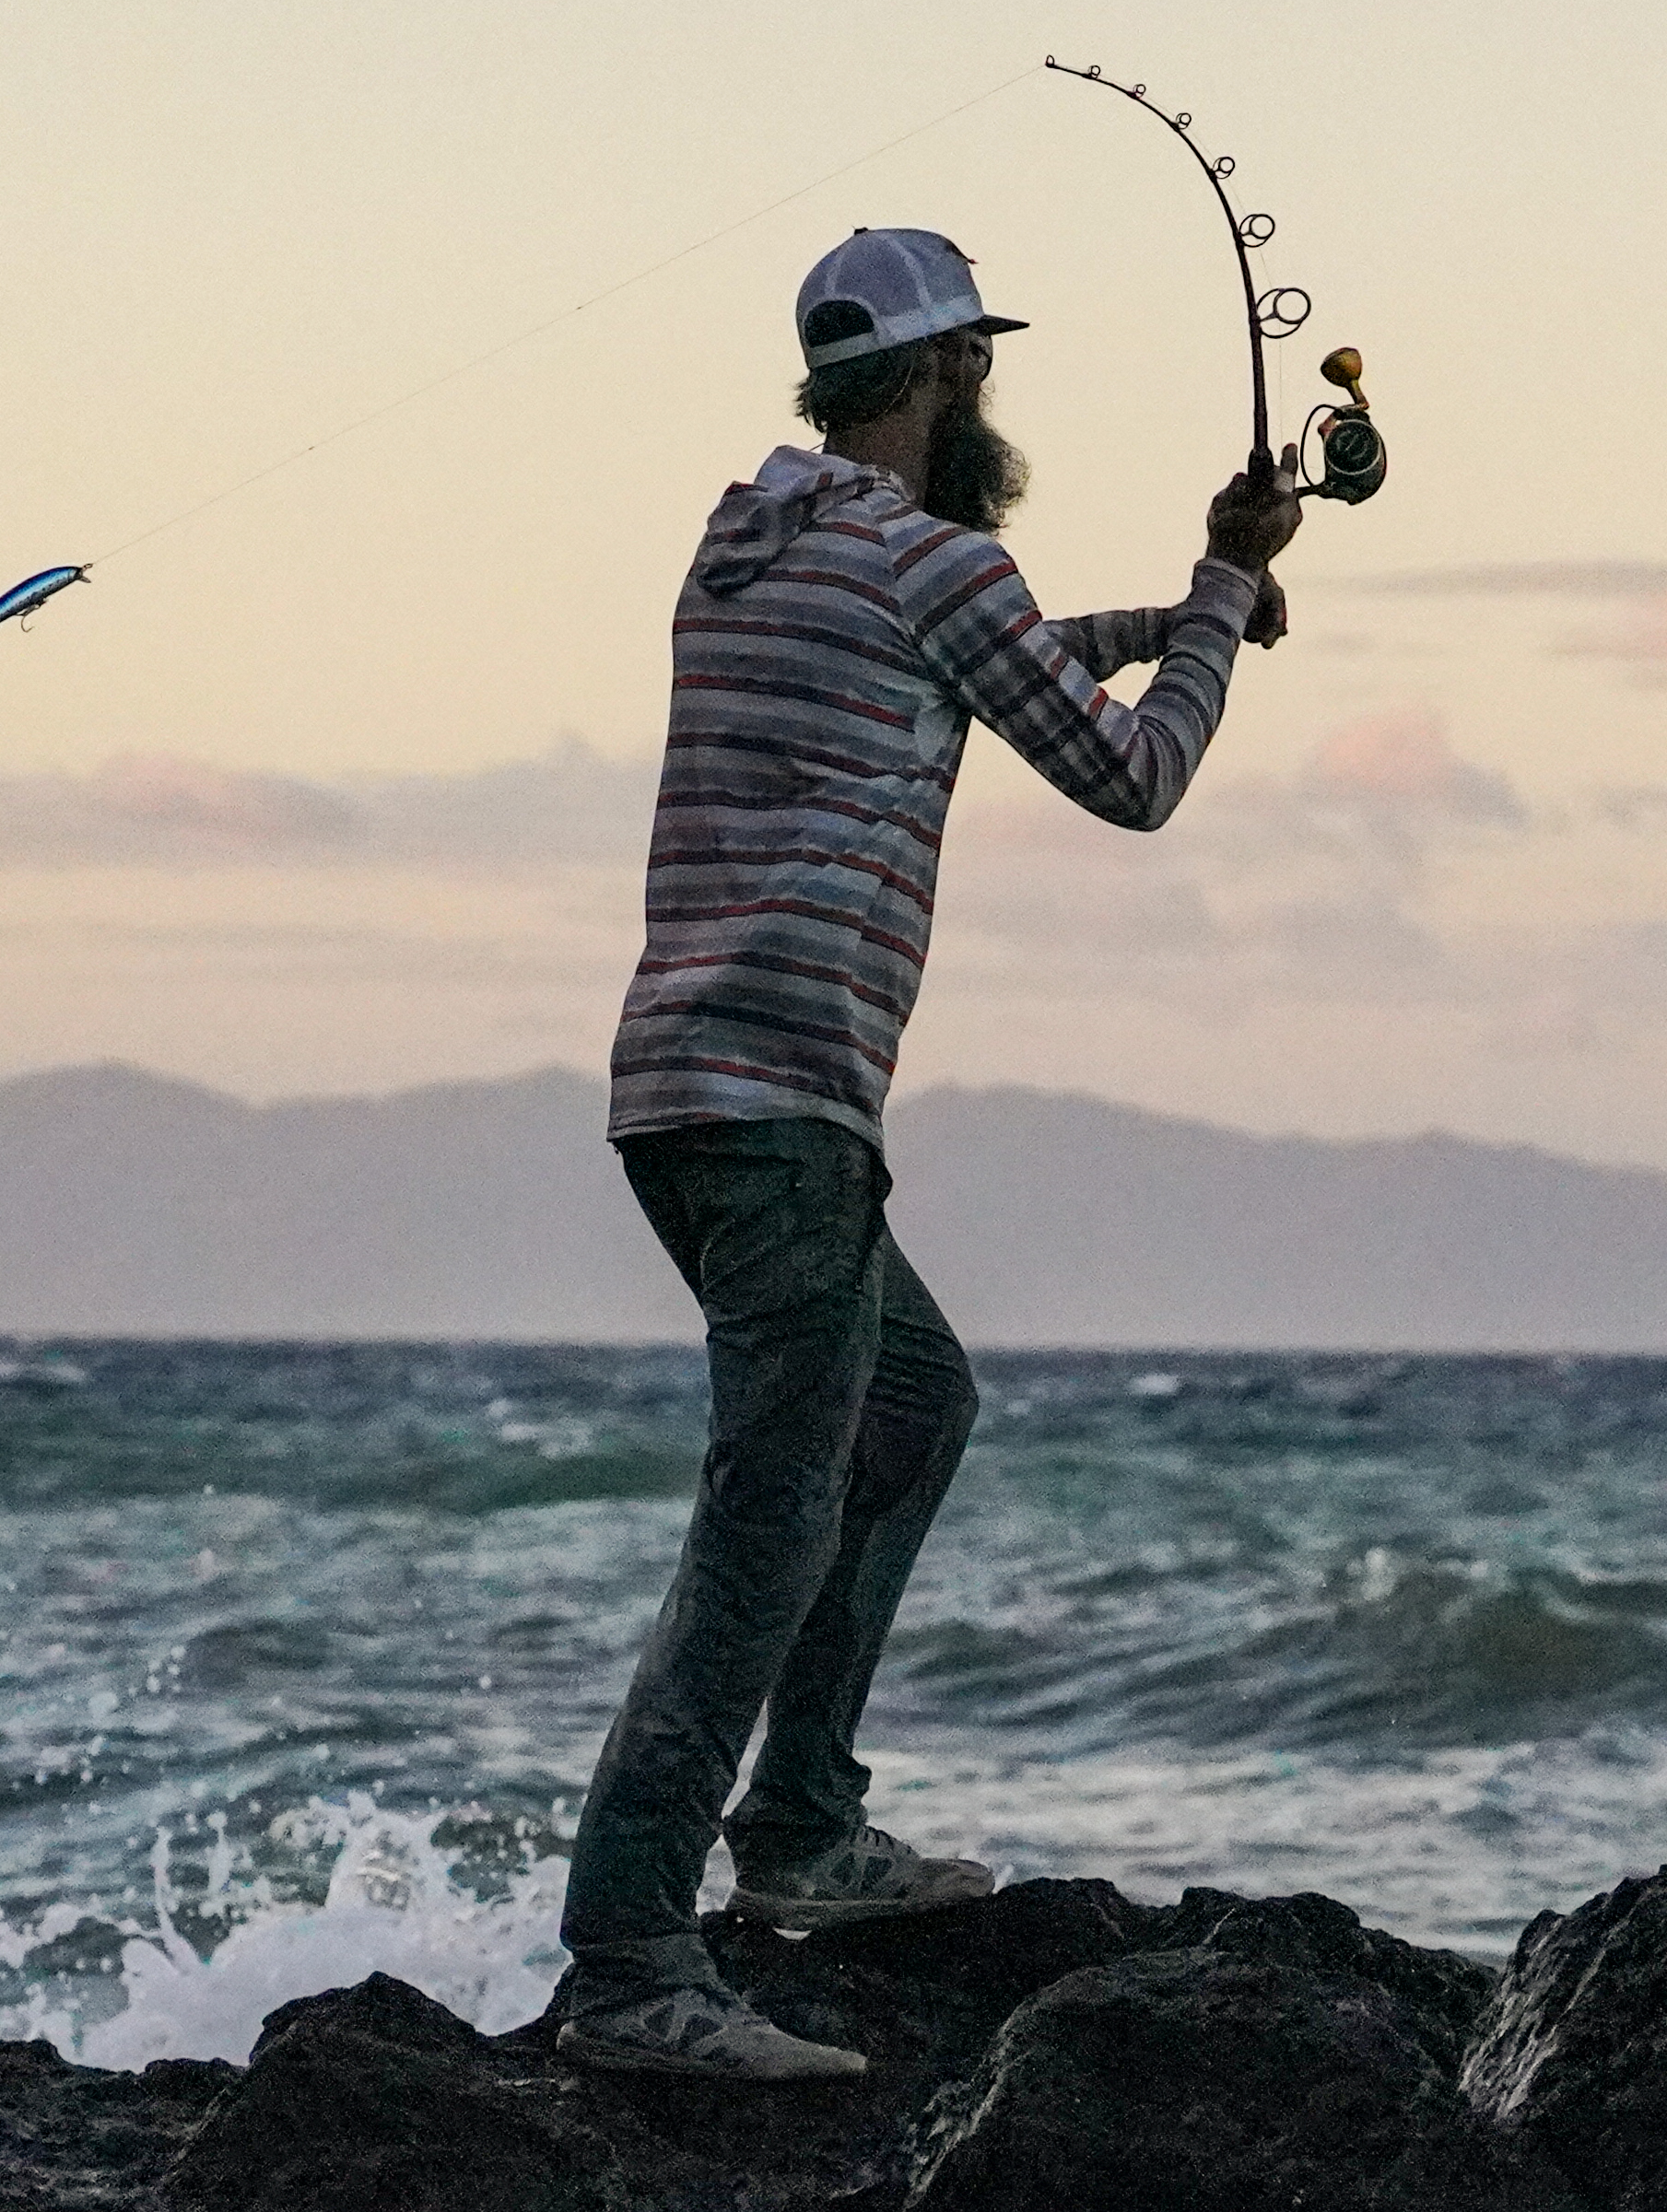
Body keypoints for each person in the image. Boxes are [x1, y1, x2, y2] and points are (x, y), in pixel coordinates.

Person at [551, 226, 1300, 2078]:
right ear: (938, 378)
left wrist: (1178, 608)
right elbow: (1132, 777)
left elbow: (988, 642)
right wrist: (1220, 599)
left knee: (914, 1404)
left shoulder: (746, 547)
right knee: (767, 1517)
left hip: (680, 1099)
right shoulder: (934, 556)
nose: (994, 404)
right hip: (791, 1109)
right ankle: (633, 1955)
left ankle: (802, 1822)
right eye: (980, 369)